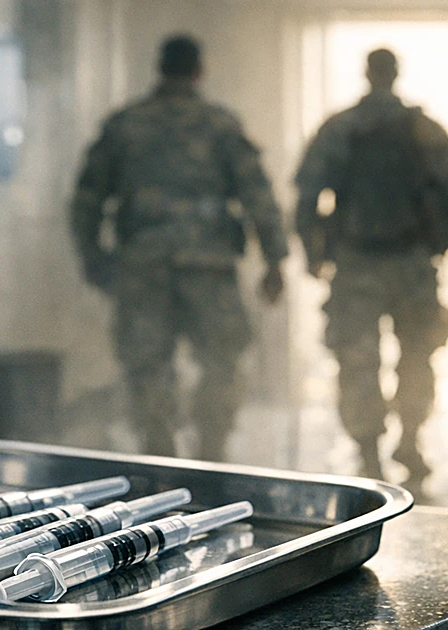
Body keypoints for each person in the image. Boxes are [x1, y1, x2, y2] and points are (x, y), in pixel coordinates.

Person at [70, 34, 288, 461]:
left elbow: (87, 198)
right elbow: (257, 194)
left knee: (148, 364)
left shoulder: (125, 124)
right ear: (198, 71)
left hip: (142, 266)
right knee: (221, 362)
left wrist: (92, 256)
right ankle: (212, 452)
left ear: (160, 68)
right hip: (209, 268)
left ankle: (159, 455)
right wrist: (275, 259)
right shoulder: (221, 124)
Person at [295, 48, 448, 482]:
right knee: (417, 353)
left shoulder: (341, 128)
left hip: (356, 262)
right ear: (396, 75)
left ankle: (368, 450)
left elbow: (307, 196)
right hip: (413, 262)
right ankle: (410, 440)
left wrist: (314, 254)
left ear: (366, 75)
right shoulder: (425, 129)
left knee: (357, 357)